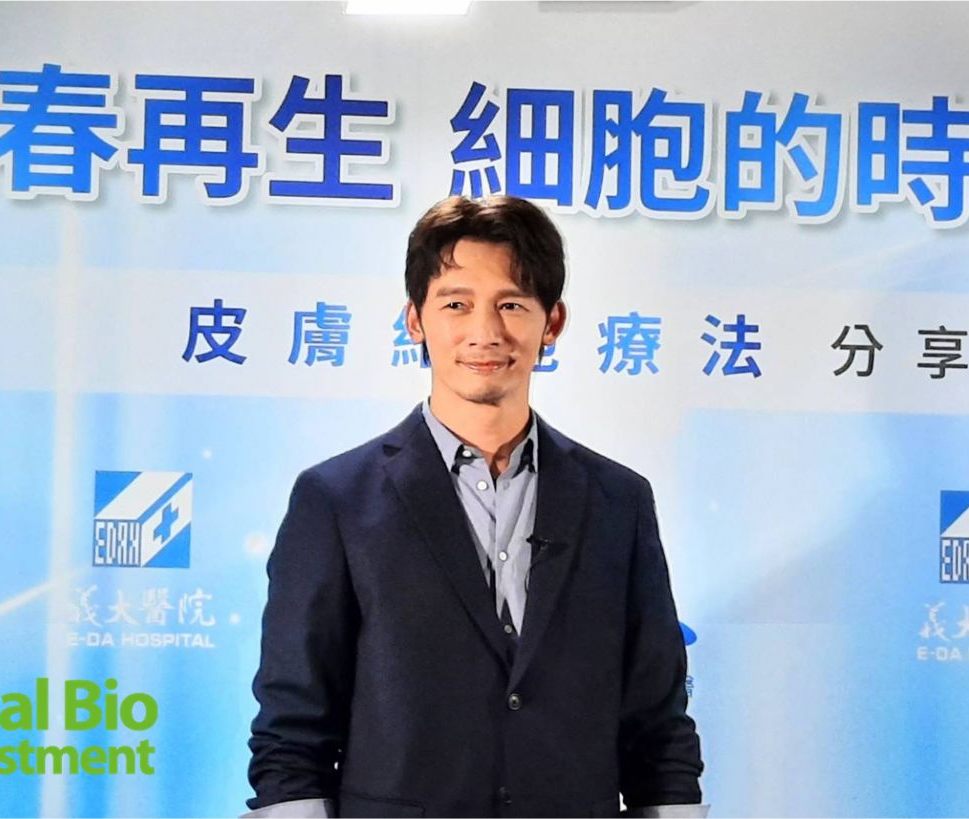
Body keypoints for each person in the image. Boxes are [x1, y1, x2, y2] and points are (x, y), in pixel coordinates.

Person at [247, 195, 704, 818]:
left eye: (511, 304)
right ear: (415, 320)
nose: (485, 332)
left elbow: (658, 727)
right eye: (456, 304)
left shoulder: (618, 501)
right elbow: (292, 732)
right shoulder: (336, 500)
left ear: (553, 322)